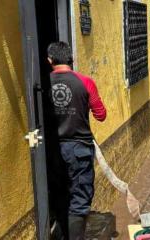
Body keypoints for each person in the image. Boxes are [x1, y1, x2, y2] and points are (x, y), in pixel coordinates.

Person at [47, 41, 107, 240]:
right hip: (79, 150)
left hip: (53, 151)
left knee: (60, 195)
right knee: (79, 200)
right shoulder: (85, 82)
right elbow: (101, 115)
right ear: (70, 58)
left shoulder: (43, 84)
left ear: (49, 60)